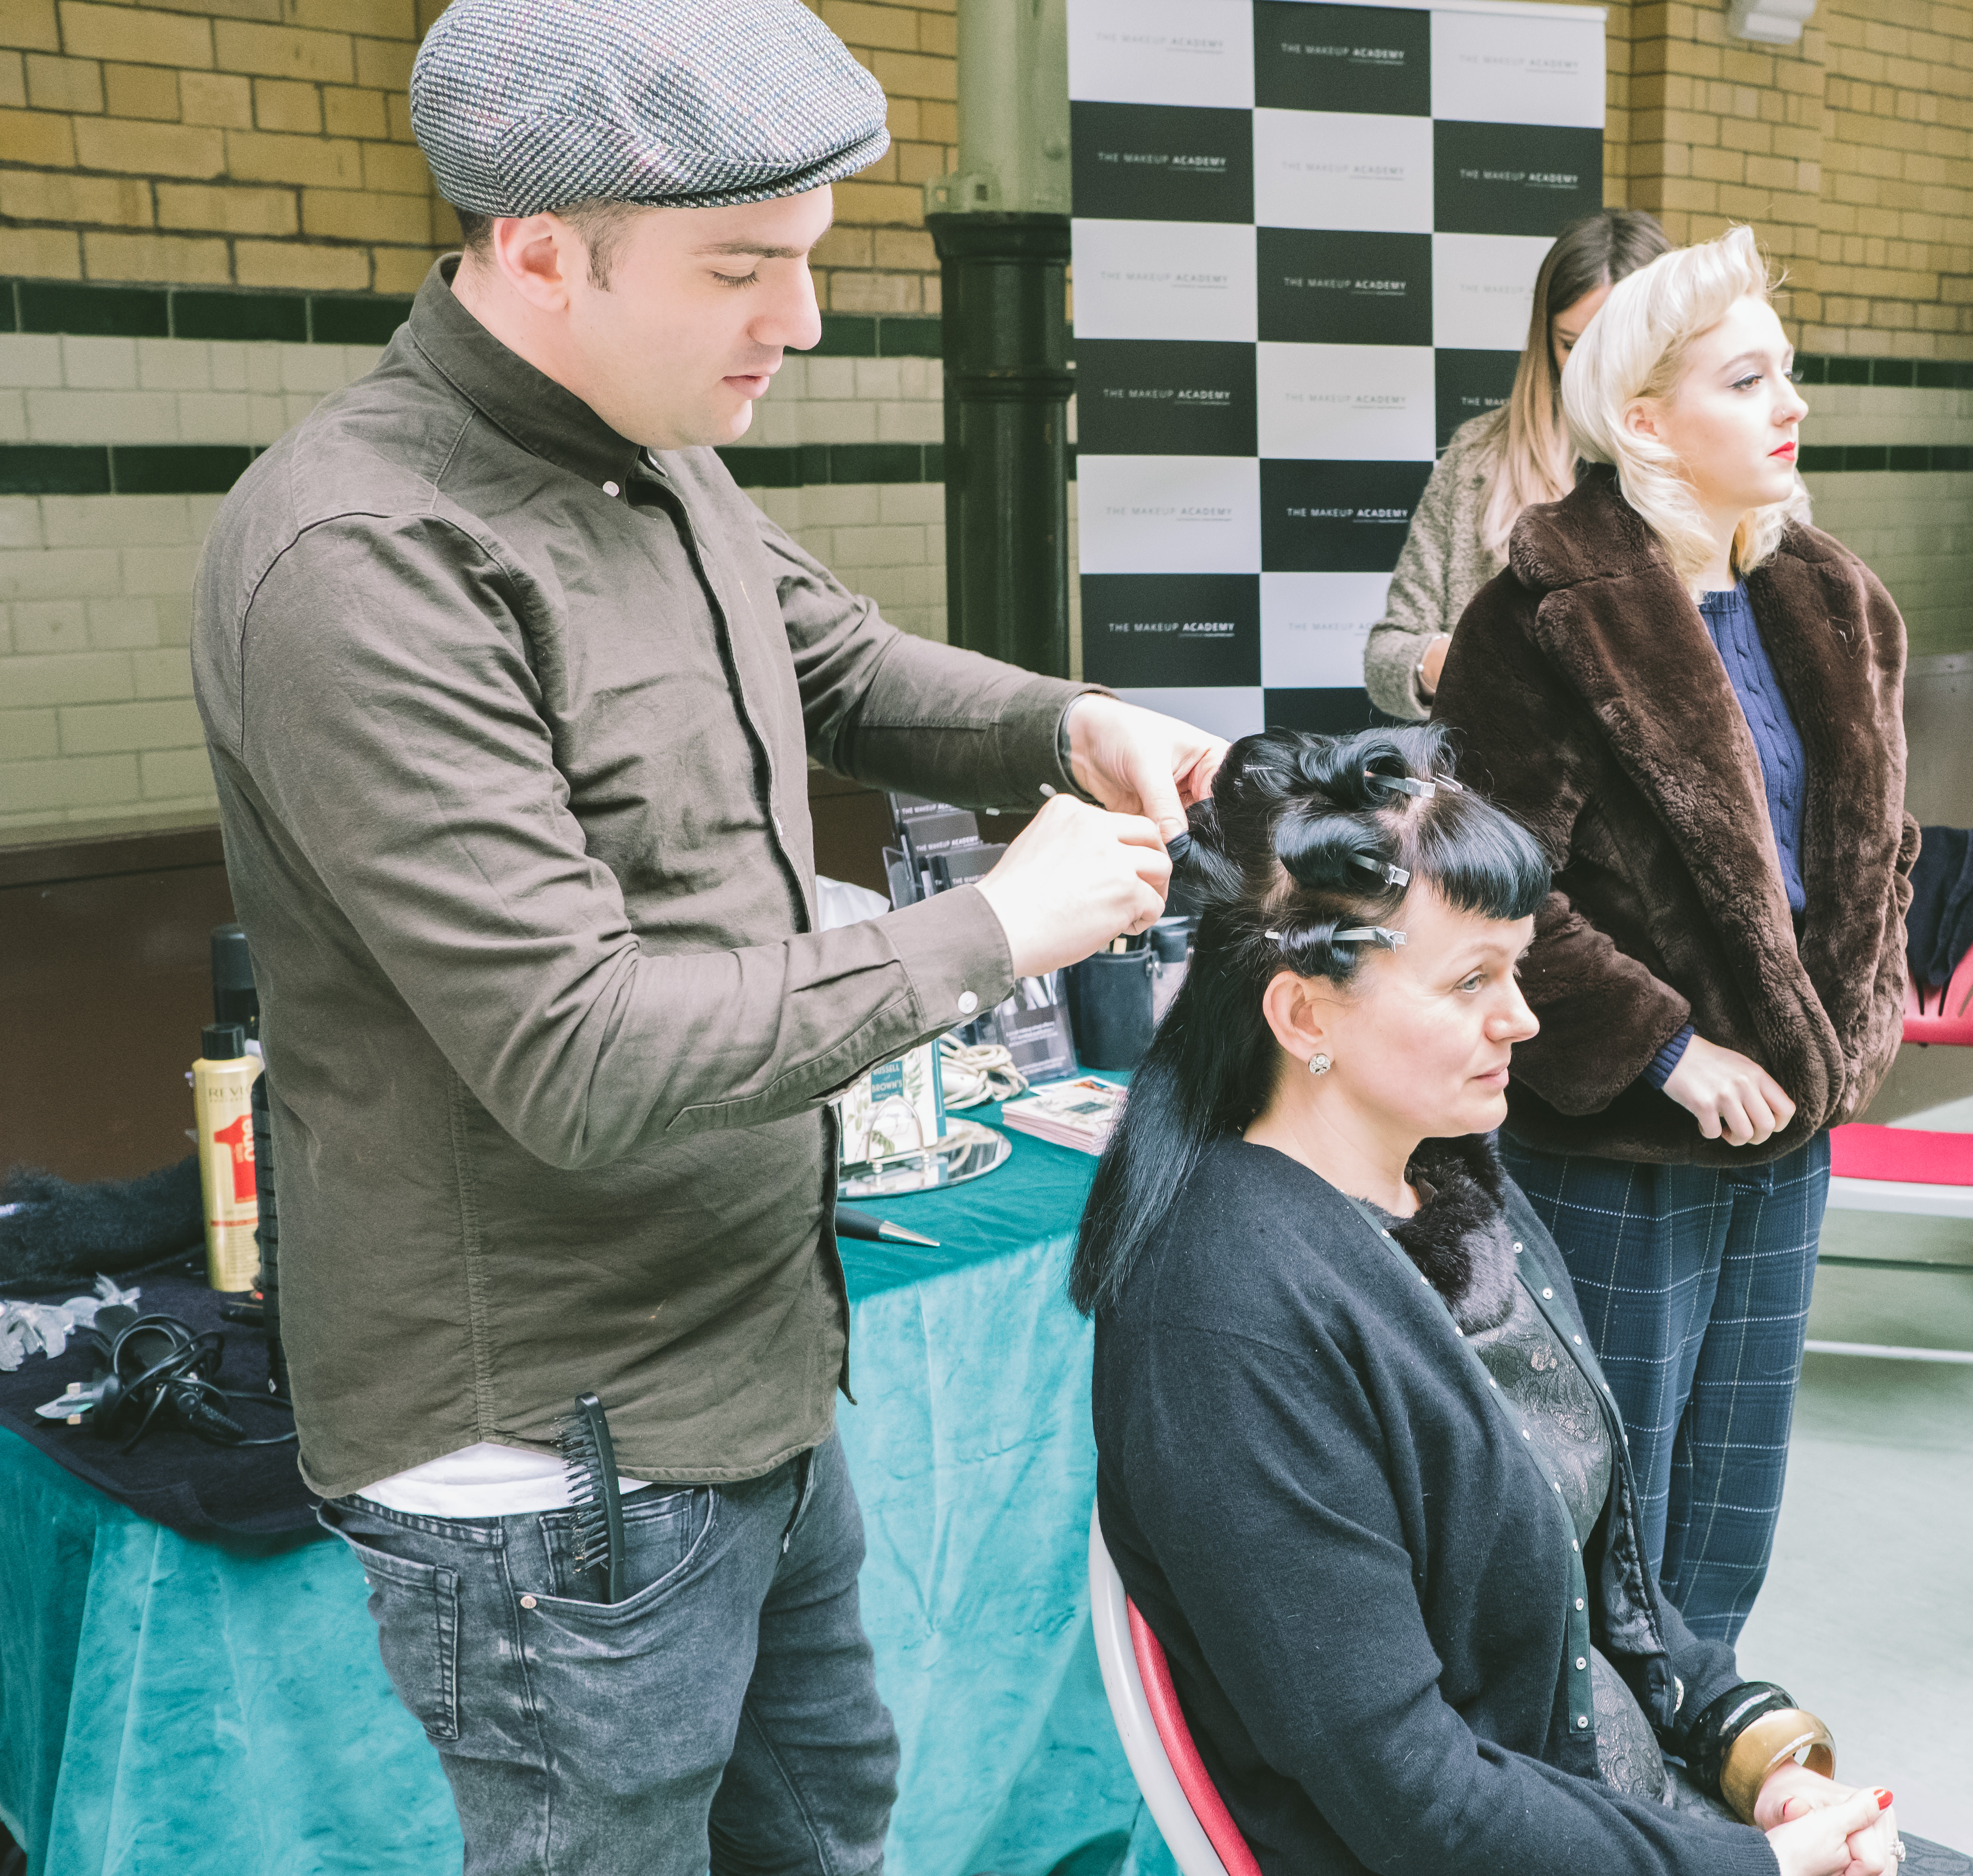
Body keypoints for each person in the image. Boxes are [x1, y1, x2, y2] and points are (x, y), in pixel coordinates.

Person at [188, 1, 1223, 1868]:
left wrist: (1066, 726)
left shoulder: (648, 448)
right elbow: (582, 1055)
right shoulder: (363, 555)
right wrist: (1001, 926)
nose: (800, 323)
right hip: (555, 1460)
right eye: (744, 268)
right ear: (535, 251)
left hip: (749, 1366)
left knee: (826, 1831)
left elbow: (833, 657)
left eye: (809, 262)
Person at [1079, 727, 1901, 1876]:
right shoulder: (1226, 1316)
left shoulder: (1452, 1185)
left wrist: (1768, 1759)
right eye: (1471, 980)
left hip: (1614, 1815)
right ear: (1304, 1015)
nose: (1519, 1017)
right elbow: (1414, 1799)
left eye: (1515, 969)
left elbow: (1606, 1590)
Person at [1427, 227, 1918, 1643]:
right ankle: (1587, 1791)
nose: (1790, 404)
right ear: (1643, 420)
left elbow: (1880, 849)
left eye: (1789, 373)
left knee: (1730, 1494)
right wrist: (1666, 1046)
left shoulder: (1836, 598)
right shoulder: (1535, 614)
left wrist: (1855, 1025)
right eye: (1746, 377)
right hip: (1621, 1135)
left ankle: (1706, 1763)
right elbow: (1486, 875)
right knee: (1599, 1485)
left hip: (1792, 1125)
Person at [1362, 208, 1670, 720]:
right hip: (1506, 788)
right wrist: (1458, 661)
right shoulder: (1480, 455)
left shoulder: (1723, 461)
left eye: (1615, 347)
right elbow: (1388, 655)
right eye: (1572, 345)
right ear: (1544, 339)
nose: (1591, 371)